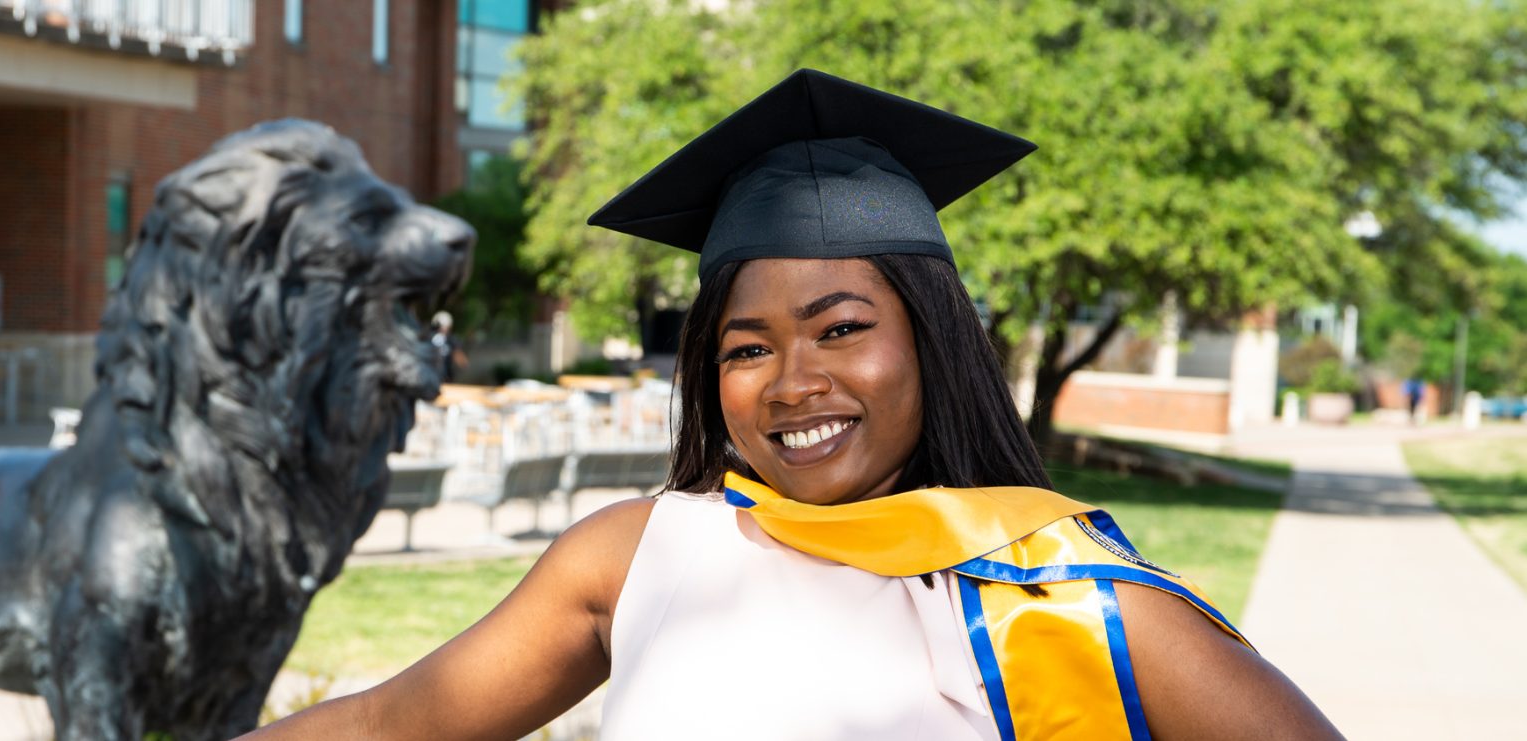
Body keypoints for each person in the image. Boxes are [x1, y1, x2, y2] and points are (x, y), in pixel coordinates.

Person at [249, 70, 1340, 740]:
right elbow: (396, 724)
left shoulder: (1062, 598)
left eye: (843, 328)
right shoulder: (637, 557)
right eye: (746, 346)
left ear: (934, 339)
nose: (792, 381)